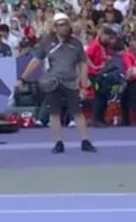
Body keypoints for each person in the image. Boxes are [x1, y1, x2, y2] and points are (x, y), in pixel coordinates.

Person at [18, 13, 96, 154]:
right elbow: (36, 61)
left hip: (71, 82)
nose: (64, 27)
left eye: (66, 24)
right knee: (54, 112)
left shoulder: (76, 43)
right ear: (55, 27)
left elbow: (83, 64)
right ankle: (59, 142)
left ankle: (85, 141)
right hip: (52, 81)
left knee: (77, 112)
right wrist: (23, 78)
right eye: (60, 25)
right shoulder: (46, 42)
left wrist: (84, 85)